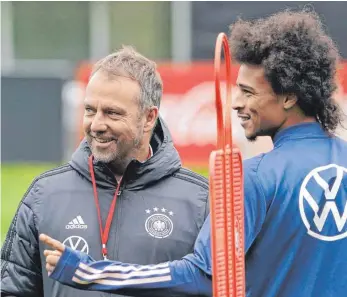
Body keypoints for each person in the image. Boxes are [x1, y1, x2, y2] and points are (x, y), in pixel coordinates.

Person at [39, 9, 347, 297]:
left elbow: (203, 274)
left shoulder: (254, 176)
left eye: (249, 92)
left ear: (289, 97)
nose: (236, 103)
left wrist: (90, 271)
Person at [0, 46, 210, 297]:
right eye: (90, 110)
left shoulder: (199, 201)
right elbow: (11, 290)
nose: (97, 125)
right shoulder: (44, 194)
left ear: (148, 117)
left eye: (112, 113)